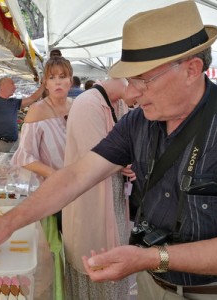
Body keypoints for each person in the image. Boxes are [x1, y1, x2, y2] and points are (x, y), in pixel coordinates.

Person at [0, 2, 217, 299]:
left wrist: (151, 257)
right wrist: (6, 222)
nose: (132, 93)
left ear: (192, 69)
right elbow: (75, 176)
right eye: (130, 80)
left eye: (143, 80)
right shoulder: (139, 122)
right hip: (154, 284)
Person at [63, 79, 136, 300]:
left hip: (114, 198)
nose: (141, 98)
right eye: (141, 87)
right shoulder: (87, 104)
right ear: (128, 82)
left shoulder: (120, 104)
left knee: (115, 254)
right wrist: (129, 163)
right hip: (92, 200)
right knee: (94, 255)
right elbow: (97, 157)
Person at [10, 56, 73, 300]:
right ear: (45, 83)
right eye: (52, 77)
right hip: (53, 194)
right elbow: (24, 157)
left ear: (70, 80)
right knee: (56, 249)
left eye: (63, 76)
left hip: (79, 190)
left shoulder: (76, 106)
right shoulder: (37, 110)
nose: (58, 82)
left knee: (77, 250)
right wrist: (55, 175)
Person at [0, 77, 45, 152]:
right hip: (0, 144)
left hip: (16, 143)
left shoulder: (13, 102)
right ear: (3, 85)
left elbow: (32, 98)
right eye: (12, 84)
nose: (15, 87)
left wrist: (44, 85)